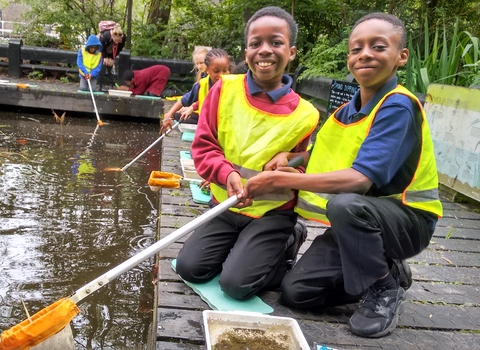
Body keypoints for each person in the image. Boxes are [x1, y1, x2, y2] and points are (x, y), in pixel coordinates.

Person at [242, 12, 443, 338]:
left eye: (378, 47)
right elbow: (325, 154)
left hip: (407, 220)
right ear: (349, 58)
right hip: (360, 224)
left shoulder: (398, 106)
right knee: (298, 292)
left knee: (345, 204)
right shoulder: (345, 111)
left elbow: (359, 180)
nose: (364, 54)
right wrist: (293, 157)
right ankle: (383, 264)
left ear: (401, 57)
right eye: (356, 48)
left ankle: (383, 286)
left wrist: (281, 180)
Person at [174, 6, 319, 300]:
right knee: (189, 269)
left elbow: (306, 164)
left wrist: (290, 165)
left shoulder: (306, 114)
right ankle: (245, 246)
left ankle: (289, 238)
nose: (264, 50)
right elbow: (203, 146)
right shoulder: (223, 90)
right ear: (246, 51)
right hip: (225, 205)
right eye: (256, 43)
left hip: (271, 213)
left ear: (291, 52)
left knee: (236, 286)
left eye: (275, 42)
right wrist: (227, 173)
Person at [159, 48, 230, 133]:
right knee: (179, 115)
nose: (221, 75)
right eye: (197, 63)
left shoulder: (231, 84)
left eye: (202, 63)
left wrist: (191, 108)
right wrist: (191, 108)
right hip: (207, 119)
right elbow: (202, 100)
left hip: (222, 123)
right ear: (208, 69)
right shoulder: (202, 83)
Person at [98, 24, 127, 92]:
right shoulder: (106, 36)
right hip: (103, 50)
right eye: (115, 40)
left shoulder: (123, 38)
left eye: (118, 40)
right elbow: (101, 47)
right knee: (103, 64)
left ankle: (111, 84)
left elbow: (119, 49)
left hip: (113, 51)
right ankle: (101, 85)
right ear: (112, 36)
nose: (117, 42)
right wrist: (105, 58)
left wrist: (112, 59)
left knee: (111, 65)